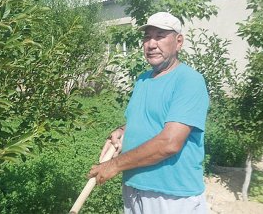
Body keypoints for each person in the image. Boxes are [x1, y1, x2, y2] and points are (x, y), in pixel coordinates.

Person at [88, 11, 209, 214]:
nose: (151, 44)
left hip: (171, 196)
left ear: (179, 42)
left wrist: (114, 165)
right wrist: (121, 131)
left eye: (160, 36)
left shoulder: (189, 81)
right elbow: (147, 119)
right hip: (135, 188)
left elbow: (170, 143)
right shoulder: (143, 80)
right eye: (147, 37)